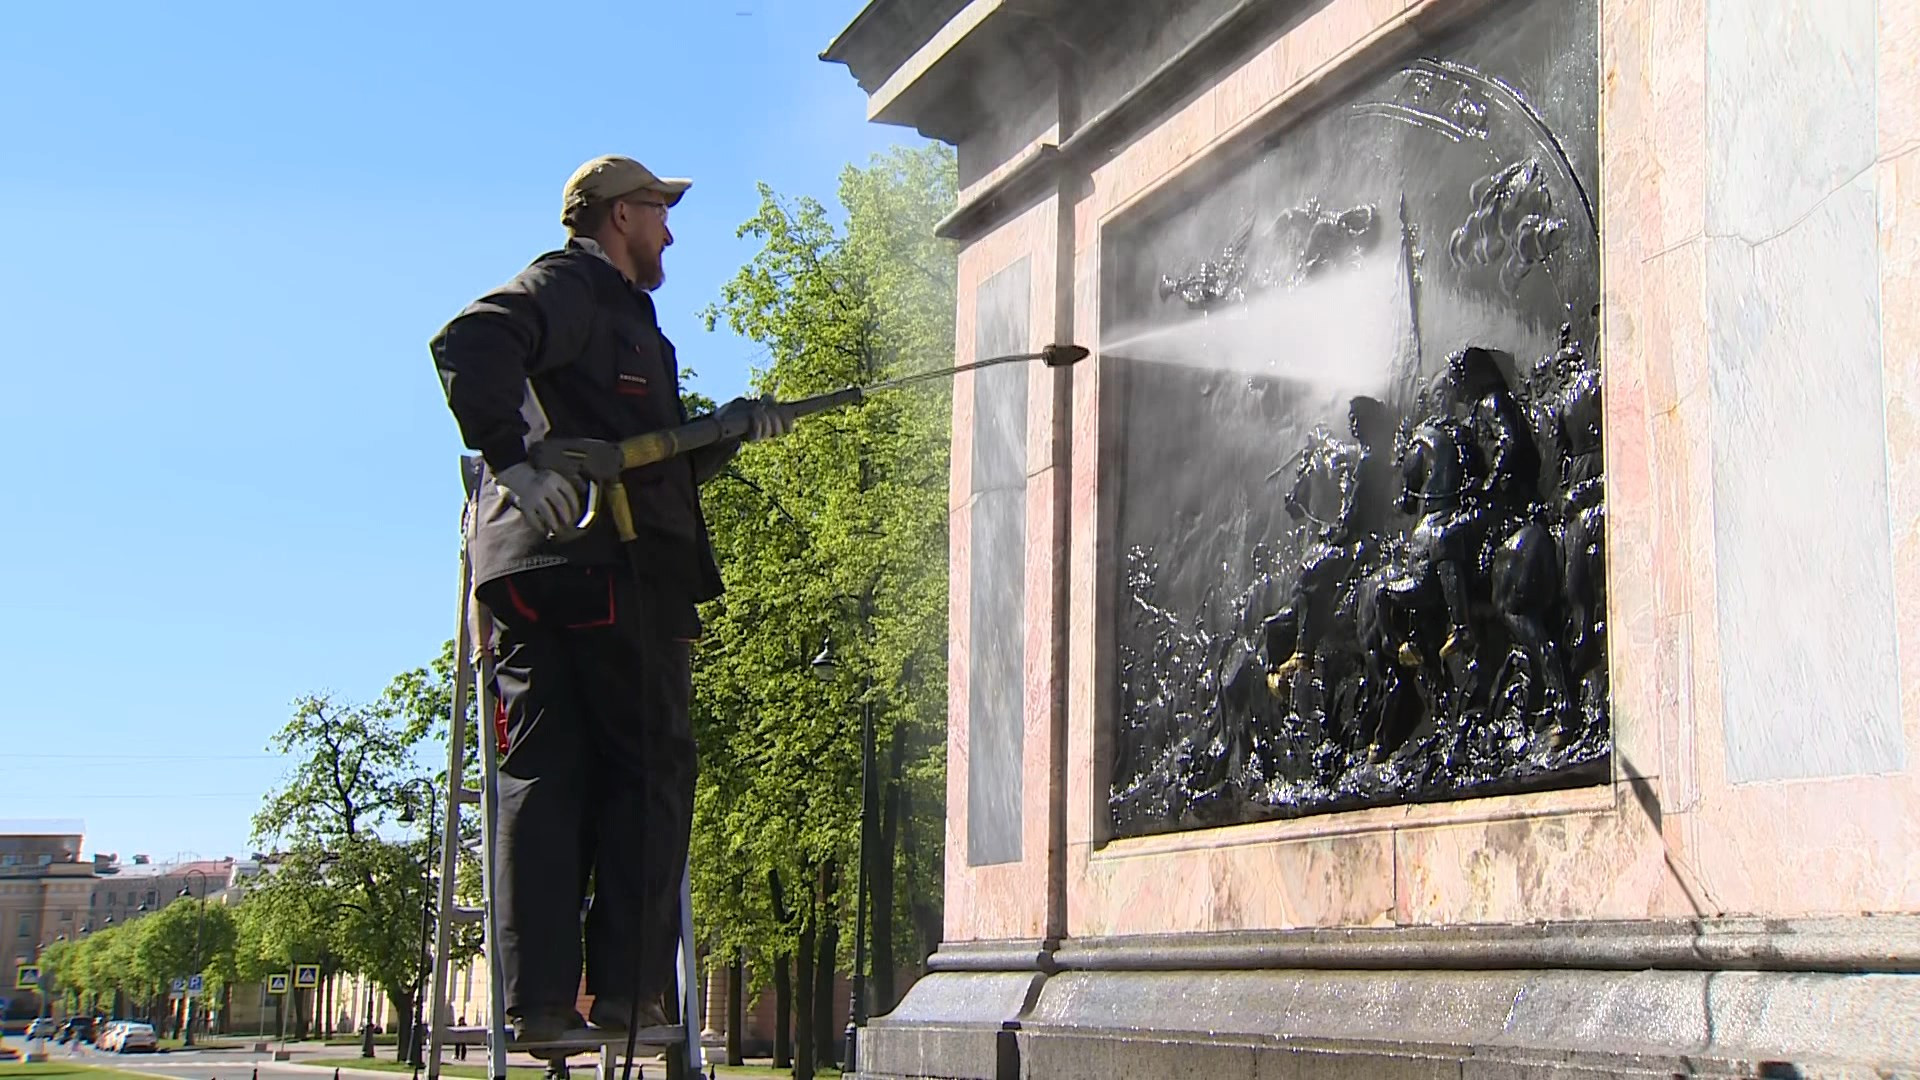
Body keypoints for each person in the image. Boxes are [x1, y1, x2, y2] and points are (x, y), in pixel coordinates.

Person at [429, 154, 788, 1047]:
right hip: (609, 572)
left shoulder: (621, 323)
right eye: (660, 211)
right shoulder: (573, 285)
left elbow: (641, 456)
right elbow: (469, 341)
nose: (670, 229)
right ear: (619, 215)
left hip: (538, 575)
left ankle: (543, 1006)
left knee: (546, 784)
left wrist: (731, 432)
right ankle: (629, 995)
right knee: (648, 775)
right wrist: (512, 459)